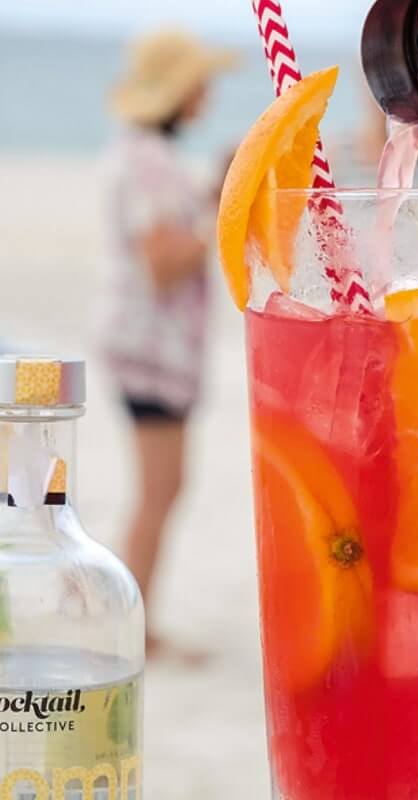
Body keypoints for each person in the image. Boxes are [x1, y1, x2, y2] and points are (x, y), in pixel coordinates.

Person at [98, 30, 237, 658]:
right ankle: (136, 632)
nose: (206, 96)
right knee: (159, 492)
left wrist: (213, 194)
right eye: (200, 85)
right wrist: (223, 216)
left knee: (162, 489)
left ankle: (135, 622)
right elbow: (164, 262)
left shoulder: (140, 152)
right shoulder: (150, 161)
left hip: (142, 346)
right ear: (178, 92)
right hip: (150, 349)